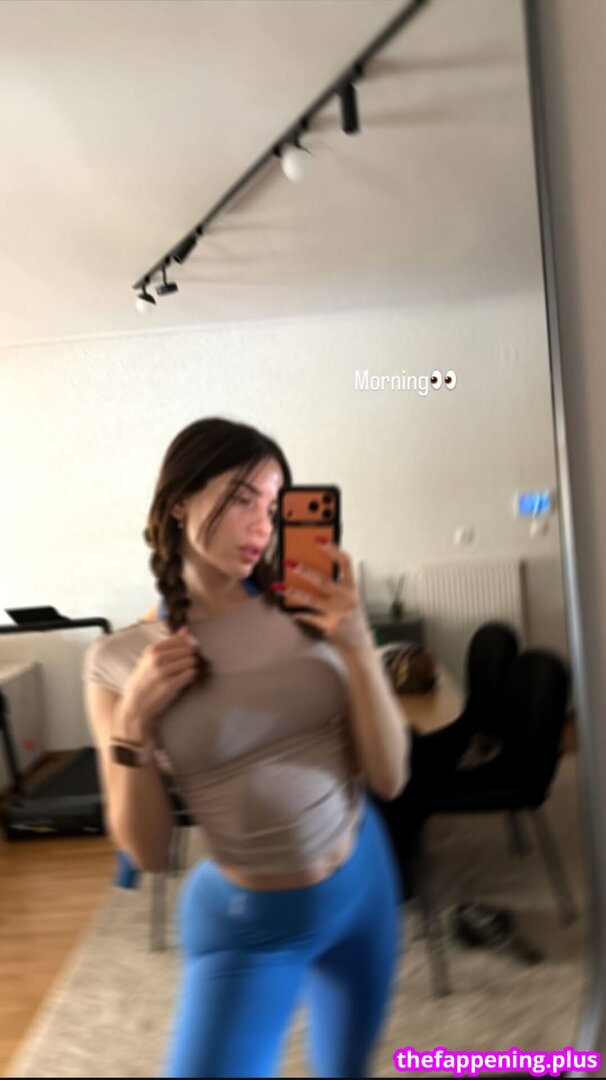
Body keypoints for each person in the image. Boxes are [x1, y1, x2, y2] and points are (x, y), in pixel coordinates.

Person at [83, 416, 411, 1079]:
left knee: (347, 1069)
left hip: (365, 880)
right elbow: (147, 854)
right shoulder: (119, 660)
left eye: (273, 505)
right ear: (180, 501)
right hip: (249, 924)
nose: (262, 525)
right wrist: (133, 726)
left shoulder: (310, 611)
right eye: (241, 499)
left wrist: (356, 642)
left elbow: (390, 777)